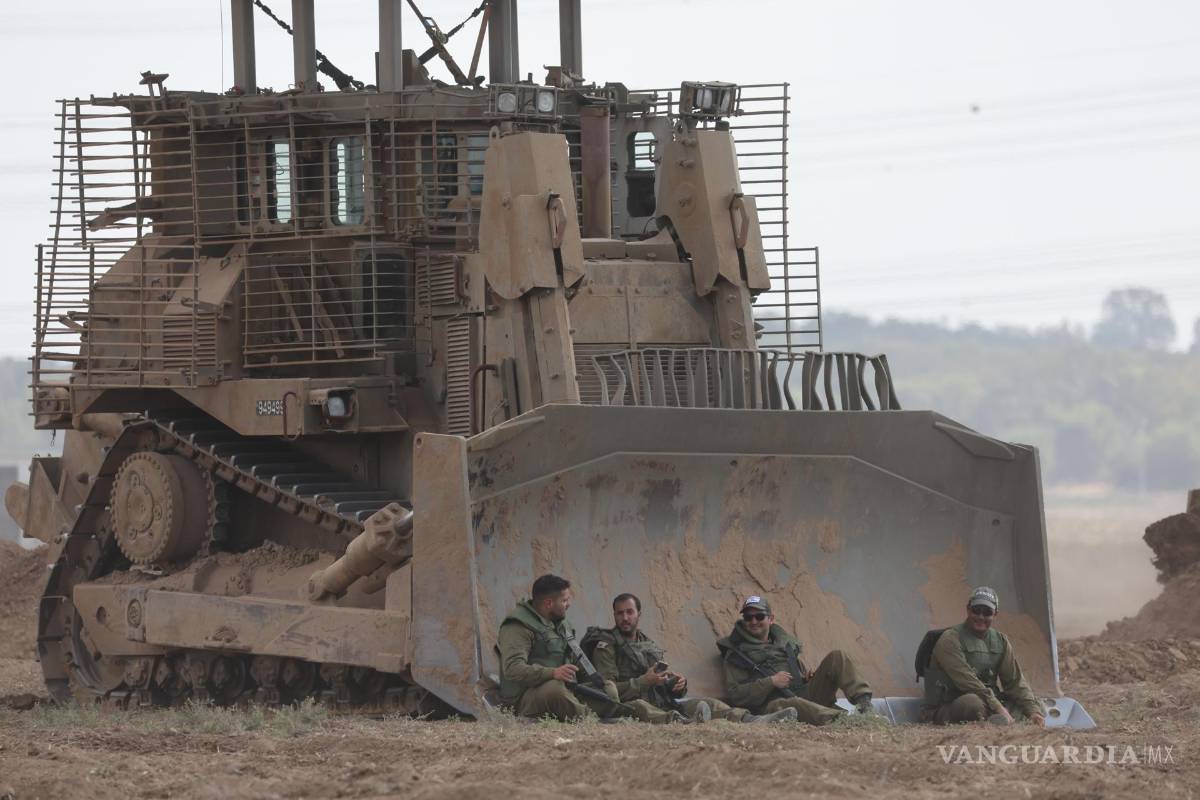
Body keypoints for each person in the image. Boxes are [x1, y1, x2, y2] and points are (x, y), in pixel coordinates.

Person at [585, 593, 798, 724]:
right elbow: (607, 692)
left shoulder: (647, 643)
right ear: (614, 615)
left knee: (709, 703)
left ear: (639, 614)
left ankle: (755, 720)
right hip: (632, 705)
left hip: (663, 702)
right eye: (619, 613)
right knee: (641, 707)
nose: (625, 618)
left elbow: (660, 680)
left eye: (629, 612)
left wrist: (677, 684)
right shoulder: (606, 645)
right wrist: (643, 682)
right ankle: (685, 723)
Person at [495, 574, 682, 723]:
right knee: (554, 690)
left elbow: (575, 657)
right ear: (548, 604)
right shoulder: (518, 626)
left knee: (608, 689)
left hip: (566, 688)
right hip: (526, 699)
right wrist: (552, 673)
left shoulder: (561, 623)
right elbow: (512, 669)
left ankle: (660, 717)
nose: (569, 604)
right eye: (565, 601)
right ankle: (594, 722)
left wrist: (596, 683)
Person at [717, 595, 875, 725]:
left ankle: (865, 706)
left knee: (837, 656)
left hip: (802, 695)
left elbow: (798, 678)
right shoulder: (737, 654)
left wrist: (806, 679)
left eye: (759, 616)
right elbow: (736, 695)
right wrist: (770, 682)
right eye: (748, 617)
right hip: (773, 708)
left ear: (771, 619)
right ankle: (845, 721)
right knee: (793, 704)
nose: (753, 621)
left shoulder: (786, 645)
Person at [921, 586, 1046, 726]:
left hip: (988, 702)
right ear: (968, 610)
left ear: (995, 614)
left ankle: (1002, 720)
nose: (981, 617)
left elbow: (1014, 681)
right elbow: (966, 681)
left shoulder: (1000, 641)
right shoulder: (949, 639)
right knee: (973, 704)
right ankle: (1001, 718)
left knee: (1036, 704)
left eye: (987, 612)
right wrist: (998, 707)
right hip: (950, 705)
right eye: (976, 610)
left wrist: (1033, 711)